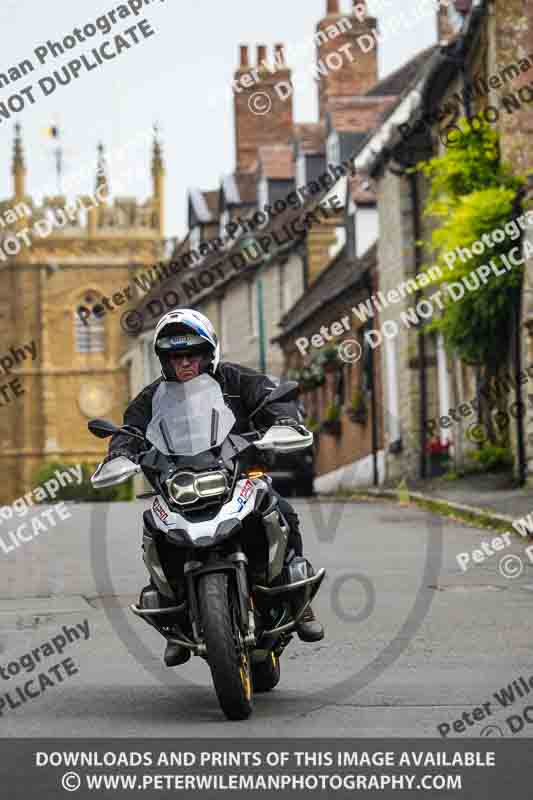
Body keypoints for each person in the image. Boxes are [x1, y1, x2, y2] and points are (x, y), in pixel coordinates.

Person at [104, 309, 324, 666]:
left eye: (193, 353)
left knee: (280, 508)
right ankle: (173, 615)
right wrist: (119, 453)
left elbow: (273, 395)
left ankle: (300, 598)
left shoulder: (237, 380)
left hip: (238, 475)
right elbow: (131, 430)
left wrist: (283, 419)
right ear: (164, 359)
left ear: (209, 352)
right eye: (176, 356)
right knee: (155, 528)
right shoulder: (151, 398)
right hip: (179, 485)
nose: (185, 362)